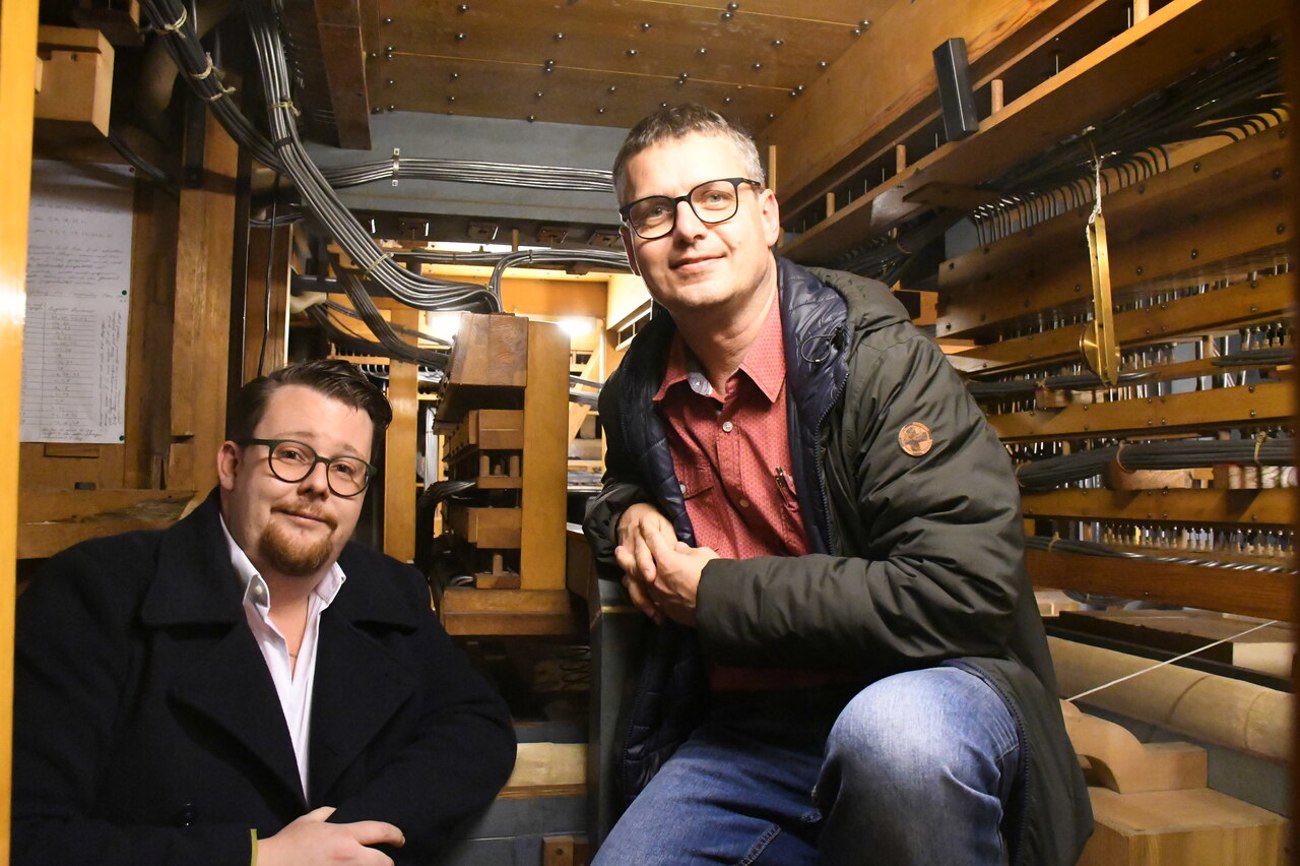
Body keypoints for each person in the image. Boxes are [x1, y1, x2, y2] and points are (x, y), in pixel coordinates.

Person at [583, 104, 1092, 865]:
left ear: (766, 214)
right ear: (632, 248)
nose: (687, 228)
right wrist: (626, 517)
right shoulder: (633, 391)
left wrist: (716, 593)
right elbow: (617, 486)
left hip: (928, 688)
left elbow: (961, 590)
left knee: (893, 739)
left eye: (714, 197)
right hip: (752, 731)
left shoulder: (878, 362)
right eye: (655, 212)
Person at [14, 359, 517, 866]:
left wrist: (344, 842)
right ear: (231, 465)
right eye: (292, 455)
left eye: (345, 468)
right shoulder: (94, 593)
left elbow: (476, 727)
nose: (319, 486)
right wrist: (260, 858)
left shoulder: (390, 592)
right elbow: (28, 837)